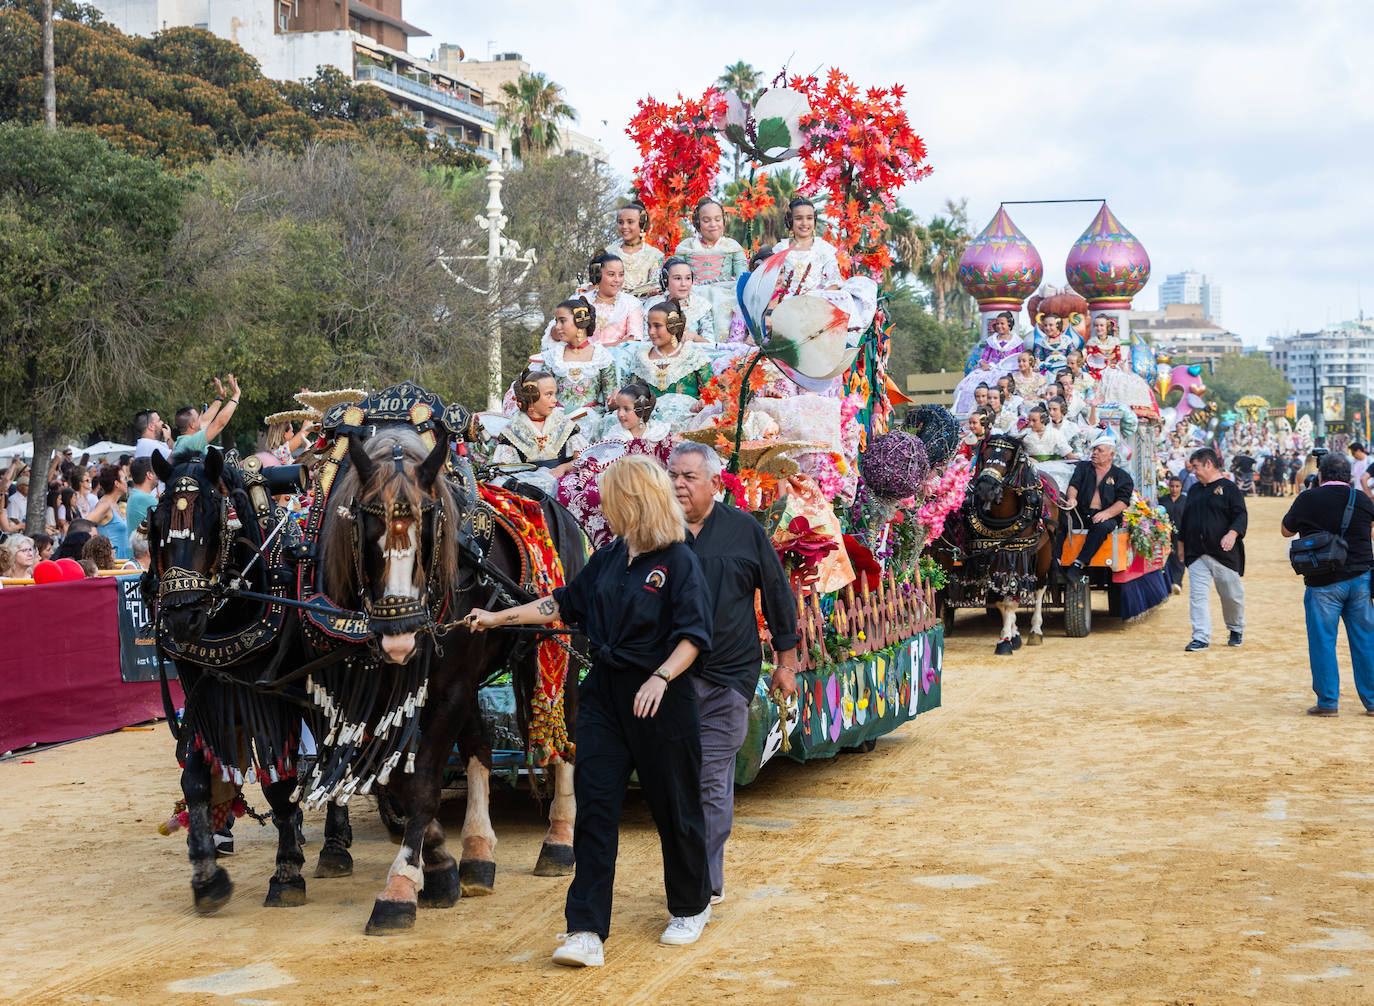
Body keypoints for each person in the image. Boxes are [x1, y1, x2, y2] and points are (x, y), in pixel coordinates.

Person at [465, 456, 715, 965]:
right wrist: (497, 619)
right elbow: (561, 604)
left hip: (661, 700)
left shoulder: (679, 561)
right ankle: (585, 929)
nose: (601, 504)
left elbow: (694, 636)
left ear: (632, 500)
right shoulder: (609, 557)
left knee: (675, 808)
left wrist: (661, 677)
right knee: (595, 811)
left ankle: (690, 906)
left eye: (608, 496)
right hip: (604, 696)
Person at [669, 441, 799, 905]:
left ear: (714, 483)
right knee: (681, 778)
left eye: (689, 477)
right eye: (674, 476)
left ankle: (704, 881)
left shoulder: (744, 530)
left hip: (729, 675)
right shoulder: (658, 532)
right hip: (671, 679)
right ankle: (692, 872)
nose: (679, 485)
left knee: (711, 776)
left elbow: (778, 594)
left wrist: (786, 663)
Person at [1281, 452, 1374, 715]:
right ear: (1350, 476)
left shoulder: (1308, 498)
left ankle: (1328, 702)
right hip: (1361, 579)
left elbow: (1286, 530)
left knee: (1322, 641)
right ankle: (1373, 700)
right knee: (1366, 640)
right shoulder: (1362, 500)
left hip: (1322, 581)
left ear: (1320, 476)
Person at [1178, 447, 1248, 652]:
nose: (1194, 472)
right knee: (1197, 596)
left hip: (1223, 553)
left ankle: (1235, 628)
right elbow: (1186, 520)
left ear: (1208, 464)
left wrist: (1232, 534)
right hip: (1196, 553)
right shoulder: (1194, 490)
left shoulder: (1229, 487)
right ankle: (1201, 636)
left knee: (1231, 596)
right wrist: (1181, 546)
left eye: (1197, 467)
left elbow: (1240, 515)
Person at [491, 369, 587, 495]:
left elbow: (582, 459)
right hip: (526, 484)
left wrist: (563, 467)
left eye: (555, 394)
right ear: (532, 398)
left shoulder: (564, 425)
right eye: (549, 395)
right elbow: (504, 469)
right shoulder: (513, 430)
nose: (554, 400)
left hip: (561, 480)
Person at [625, 300, 712, 433]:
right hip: (649, 419)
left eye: (657, 326)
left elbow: (713, 391)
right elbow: (632, 394)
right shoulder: (641, 357)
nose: (651, 332)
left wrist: (702, 403)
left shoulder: (693, 354)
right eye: (649, 326)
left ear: (673, 327)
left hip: (685, 418)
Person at [1062, 432, 1134, 582]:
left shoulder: (1122, 476)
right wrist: (1071, 498)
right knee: (1061, 520)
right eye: (1094, 449)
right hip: (1081, 512)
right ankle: (1056, 559)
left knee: (1102, 526)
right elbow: (1073, 485)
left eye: (1099, 450)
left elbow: (1123, 501)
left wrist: (1107, 513)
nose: (1094, 453)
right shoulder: (1083, 467)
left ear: (1111, 454)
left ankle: (1079, 563)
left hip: (1105, 516)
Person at [543, 297, 616, 435]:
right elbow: (543, 393)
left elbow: (610, 400)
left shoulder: (601, 356)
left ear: (580, 321)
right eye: (556, 321)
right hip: (557, 421)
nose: (557, 327)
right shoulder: (553, 356)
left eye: (562, 321)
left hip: (592, 423)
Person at [674, 198, 745, 334]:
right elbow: (675, 276)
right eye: (706, 221)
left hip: (726, 296)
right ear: (697, 222)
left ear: (724, 221)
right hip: (692, 295)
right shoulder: (686, 247)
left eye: (717, 219)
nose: (713, 224)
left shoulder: (732, 247)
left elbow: (742, 279)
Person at [774, 198, 842, 297]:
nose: (804, 223)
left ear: (814, 220)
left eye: (809, 218)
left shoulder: (823, 248)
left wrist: (815, 297)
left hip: (818, 303)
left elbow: (835, 282)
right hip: (786, 304)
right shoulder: (780, 249)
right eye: (798, 218)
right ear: (790, 220)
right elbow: (773, 280)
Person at [579, 253, 644, 348]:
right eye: (611, 274)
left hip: (618, 357)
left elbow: (635, 339)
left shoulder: (631, 303)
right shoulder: (582, 300)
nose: (617, 280)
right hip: (582, 357)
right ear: (598, 276)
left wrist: (598, 350)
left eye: (621, 275)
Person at [647, 257, 715, 343]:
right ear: (666, 280)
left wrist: (694, 337)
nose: (684, 284)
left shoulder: (701, 305)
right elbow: (643, 342)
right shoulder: (653, 304)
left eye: (688, 278)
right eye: (677, 278)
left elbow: (711, 344)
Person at [604, 202, 664, 297]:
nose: (624, 226)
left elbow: (655, 284)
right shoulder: (607, 253)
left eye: (630, 222)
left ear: (642, 224)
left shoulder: (655, 255)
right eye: (620, 222)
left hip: (645, 306)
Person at [173, 374, 241, 456]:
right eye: (198, 417)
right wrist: (236, 395)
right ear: (192, 425)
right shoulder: (192, 442)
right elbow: (219, 424)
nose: (201, 418)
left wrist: (220, 398)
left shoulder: (181, 441)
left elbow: (205, 421)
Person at [85, 466, 131, 560]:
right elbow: (83, 524)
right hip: (113, 562)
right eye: (124, 479)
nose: (126, 482)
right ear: (117, 483)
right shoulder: (105, 505)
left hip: (123, 560)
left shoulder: (113, 504)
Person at [1158, 474, 1187, 594]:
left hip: (1181, 534)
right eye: (1172, 486)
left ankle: (1177, 583)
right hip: (1165, 534)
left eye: (1177, 486)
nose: (1174, 489)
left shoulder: (1185, 501)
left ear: (1181, 487)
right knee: (1165, 558)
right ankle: (1167, 583)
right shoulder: (1163, 500)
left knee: (1179, 559)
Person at [124, 458, 159, 537]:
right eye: (156, 471)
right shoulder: (145, 498)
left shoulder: (135, 494)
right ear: (149, 475)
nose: (158, 475)